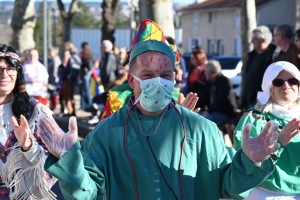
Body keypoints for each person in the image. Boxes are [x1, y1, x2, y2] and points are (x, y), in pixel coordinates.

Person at [38, 19, 279, 200]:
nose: (158, 81)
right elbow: (87, 194)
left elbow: (228, 187)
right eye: (148, 75)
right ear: (131, 81)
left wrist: (249, 162)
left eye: (165, 75)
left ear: (174, 78)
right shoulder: (105, 135)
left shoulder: (202, 130)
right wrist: (71, 163)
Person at [234, 61, 300, 199]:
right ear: (269, 87)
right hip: (265, 193)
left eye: (292, 81)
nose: (286, 86)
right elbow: (243, 166)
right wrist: (280, 143)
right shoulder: (254, 119)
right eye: (278, 82)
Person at [0, 44, 56, 199]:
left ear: (18, 73)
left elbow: (54, 162)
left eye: (10, 68)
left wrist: (28, 146)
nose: (4, 74)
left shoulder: (35, 112)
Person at [241, 26, 276, 110]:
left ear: (263, 40)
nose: (252, 41)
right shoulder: (253, 55)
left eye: (255, 39)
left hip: (262, 100)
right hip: (250, 99)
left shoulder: (273, 56)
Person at [61, 41, 81, 117]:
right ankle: (73, 111)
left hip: (67, 78)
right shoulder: (77, 57)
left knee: (66, 95)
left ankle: (70, 111)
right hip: (73, 79)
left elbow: (64, 65)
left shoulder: (67, 55)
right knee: (71, 95)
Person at [79, 41, 93, 111]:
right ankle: (84, 104)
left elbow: (89, 66)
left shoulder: (86, 55)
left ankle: (89, 104)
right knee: (84, 90)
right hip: (86, 73)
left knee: (87, 89)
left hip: (86, 74)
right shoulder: (87, 54)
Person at [48, 46, 61, 111]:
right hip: (51, 79)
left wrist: (55, 79)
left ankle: (55, 107)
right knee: (51, 93)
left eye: (51, 51)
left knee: (54, 93)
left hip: (54, 80)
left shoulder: (56, 59)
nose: (49, 53)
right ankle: (52, 106)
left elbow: (55, 70)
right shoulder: (52, 59)